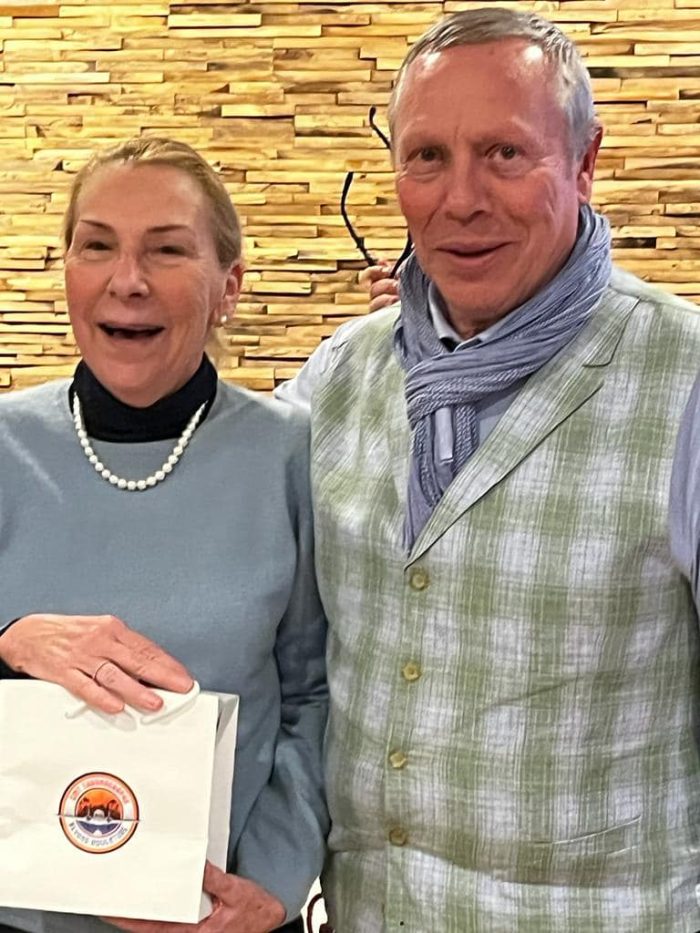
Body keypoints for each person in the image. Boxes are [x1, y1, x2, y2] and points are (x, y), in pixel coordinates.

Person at [276, 7, 700, 931]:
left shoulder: (686, 379)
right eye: (427, 157)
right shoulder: (332, 380)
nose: (460, 198)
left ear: (584, 163)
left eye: (504, 153)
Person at [0, 137, 328, 933]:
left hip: (226, 916)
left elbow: (317, 694)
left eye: (167, 250)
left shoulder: (292, 452)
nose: (128, 280)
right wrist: (5, 641)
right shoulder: (7, 445)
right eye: (97, 245)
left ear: (228, 286)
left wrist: (273, 885)